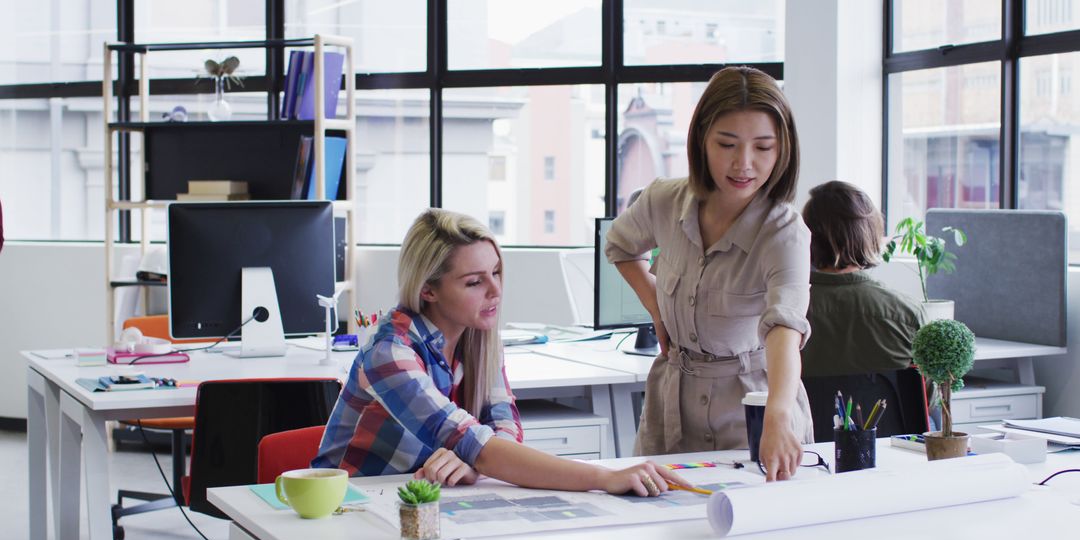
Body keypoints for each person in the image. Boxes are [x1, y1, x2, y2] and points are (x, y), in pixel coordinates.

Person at [313, 209, 690, 497]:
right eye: (475, 282)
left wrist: (473, 462)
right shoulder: (390, 352)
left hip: (422, 502)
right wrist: (604, 477)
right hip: (351, 505)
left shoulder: (478, 337)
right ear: (428, 289)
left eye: (496, 273)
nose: (495, 291)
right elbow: (482, 446)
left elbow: (504, 430)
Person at [605, 66, 814, 482]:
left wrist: (778, 412)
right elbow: (620, 246)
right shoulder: (664, 200)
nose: (744, 164)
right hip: (671, 405)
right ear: (702, 139)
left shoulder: (783, 230)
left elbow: (784, 327)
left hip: (752, 406)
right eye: (727, 144)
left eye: (763, 147)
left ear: (783, 149)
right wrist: (656, 307)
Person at [799, 180, 925, 377]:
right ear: (869, 234)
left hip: (802, 409)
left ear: (807, 236)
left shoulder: (787, 309)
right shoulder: (907, 312)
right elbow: (927, 400)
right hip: (882, 409)